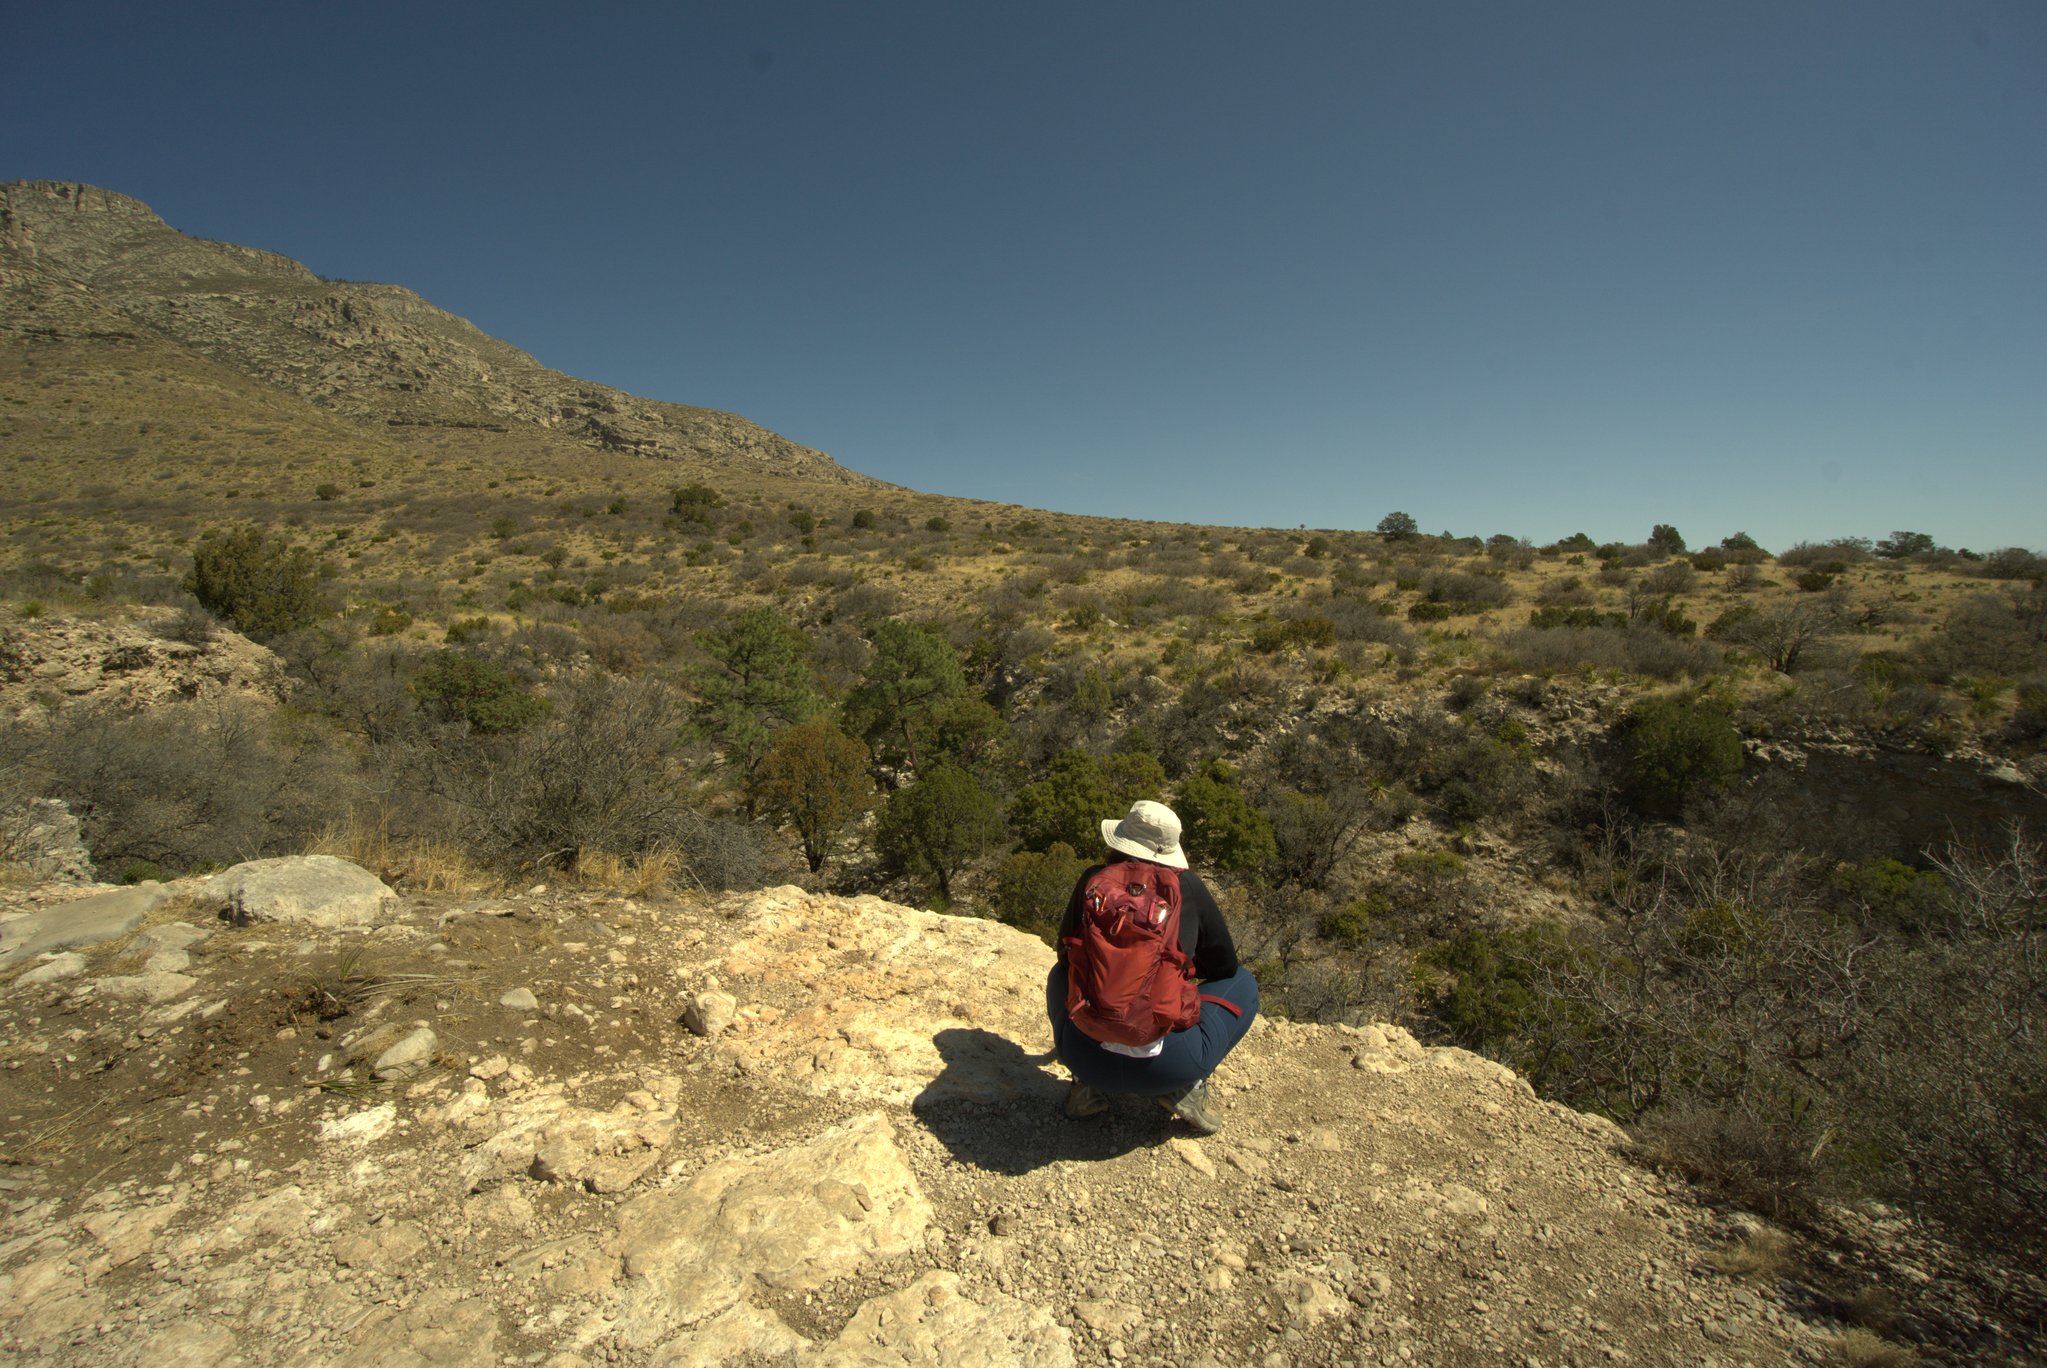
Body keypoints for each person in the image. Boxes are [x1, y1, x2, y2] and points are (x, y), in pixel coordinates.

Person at [1046, 799, 1260, 1134]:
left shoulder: (1094, 882)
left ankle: (1082, 1086)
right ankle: (1188, 1088)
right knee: (1244, 983)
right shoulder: (1187, 887)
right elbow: (1224, 967)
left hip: (1086, 1057)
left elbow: (1065, 953)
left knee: (1060, 973)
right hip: (1168, 1067)